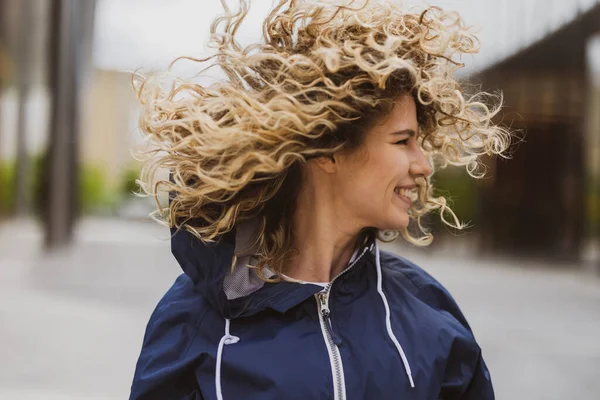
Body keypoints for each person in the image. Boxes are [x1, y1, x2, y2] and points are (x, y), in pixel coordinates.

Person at [129, 0, 511, 399]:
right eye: (403, 141)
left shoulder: (429, 311)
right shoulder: (193, 320)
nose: (423, 165)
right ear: (327, 150)